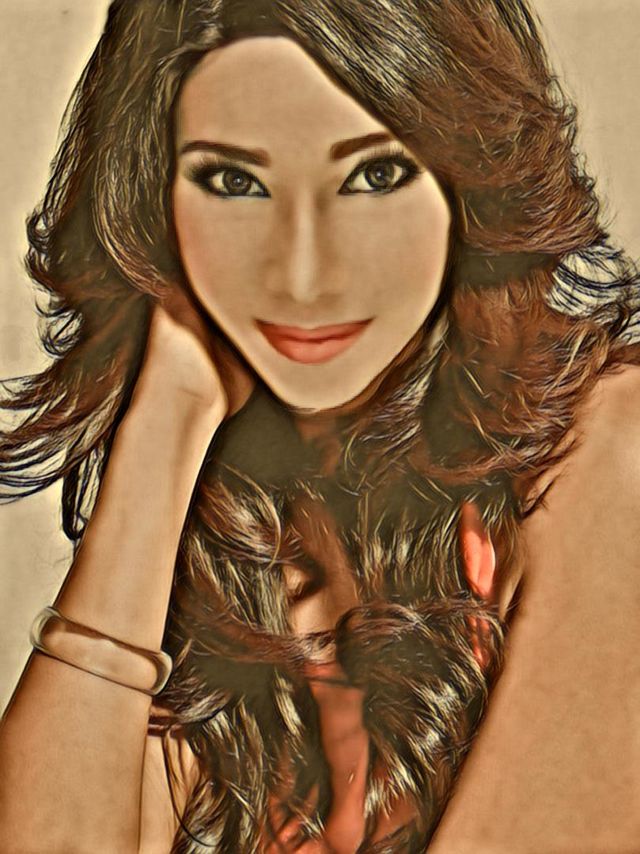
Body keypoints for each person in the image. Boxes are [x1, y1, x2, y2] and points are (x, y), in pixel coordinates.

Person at [1, 0, 640, 851]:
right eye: (235, 182)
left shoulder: (610, 446)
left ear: (467, 173)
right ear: (156, 206)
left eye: (374, 175)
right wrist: (166, 419)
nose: (303, 276)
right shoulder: (234, 527)